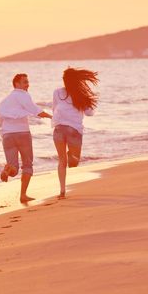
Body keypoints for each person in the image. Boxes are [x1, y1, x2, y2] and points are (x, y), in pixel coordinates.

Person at [0, 73, 52, 203]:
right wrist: (52, 117)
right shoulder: (23, 95)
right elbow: (35, 110)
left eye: (27, 82)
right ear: (17, 84)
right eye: (25, 82)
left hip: (7, 136)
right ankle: (23, 195)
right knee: (27, 165)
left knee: (14, 168)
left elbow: (0, 122)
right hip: (22, 134)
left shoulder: (5, 100)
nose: (27, 84)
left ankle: (7, 170)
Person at [52, 67, 99, 199]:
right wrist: (90, 104)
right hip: (73, 130)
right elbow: (90, 113)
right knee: (73, 162)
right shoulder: (81, 95)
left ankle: (62, 191)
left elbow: (54, 109)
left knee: (62, 161)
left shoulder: (57, 93)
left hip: (59, 129)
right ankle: (62, 190)